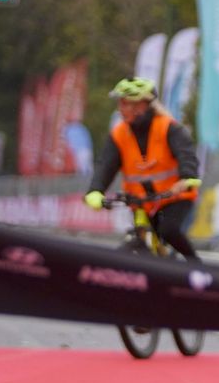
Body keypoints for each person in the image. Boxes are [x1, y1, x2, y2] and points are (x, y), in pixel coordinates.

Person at [84, 76, 201, 262]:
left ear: (140, 105)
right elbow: (105, 165)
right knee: (138, 238)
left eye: (124, 103)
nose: (119, 109)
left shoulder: (168, 127)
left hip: (175, 199)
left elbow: (186, 154)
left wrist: (187, 178)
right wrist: (95, 191)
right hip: (141, 202)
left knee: (168, 230)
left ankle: (197, 268)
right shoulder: (119, 134)